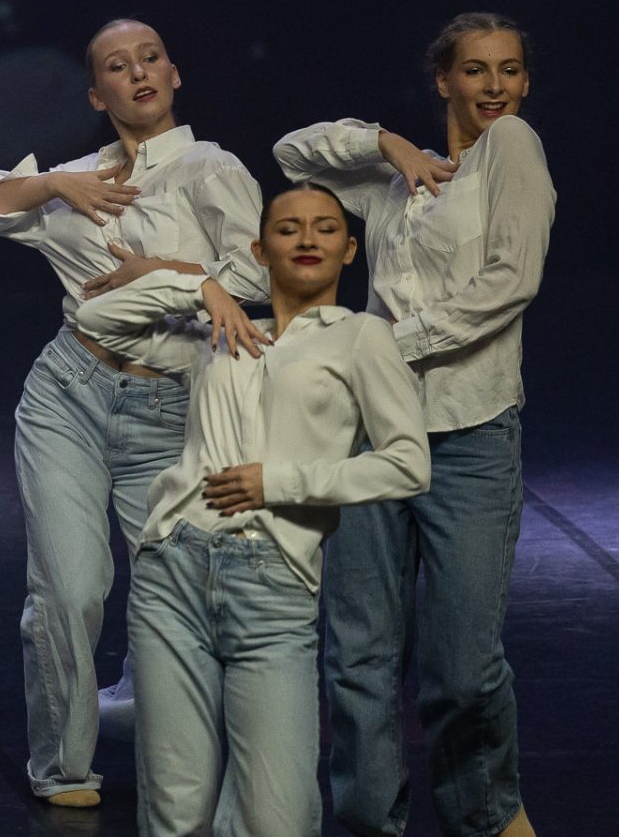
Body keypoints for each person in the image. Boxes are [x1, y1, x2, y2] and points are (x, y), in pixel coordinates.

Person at [0, 18, 269, 808]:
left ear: (174, 74)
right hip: (69, 391)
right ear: (98, 95)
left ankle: (139, 712)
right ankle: (63, 766)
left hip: (168, 405)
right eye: (117, 66)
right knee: (69, 589)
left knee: (170, 594)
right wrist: (53, 185)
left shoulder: (212, 168)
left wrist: (158, 271)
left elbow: (255, 279)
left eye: (150, 58)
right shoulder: (81, 175)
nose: (138, 73)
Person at [75, 183, 431, 835]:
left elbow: (407, 463)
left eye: (325, 228)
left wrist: (279, 483)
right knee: (176, 809)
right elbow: (95, 318)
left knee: (278, 819)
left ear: (350, 249)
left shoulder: (362, 337)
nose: (307, 238)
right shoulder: (217, 333)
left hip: (273, 585)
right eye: (288, 228)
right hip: (173, 573)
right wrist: (201, 286)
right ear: (260, 250)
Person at [275, 12, 553, 837]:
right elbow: (292, 155)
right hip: (370, 434)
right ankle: (370, 821)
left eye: (509, 69)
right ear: (444, 80)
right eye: (475, 70)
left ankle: (484, 811)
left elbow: (512, 280)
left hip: (470, 433)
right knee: (359, 655)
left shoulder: (513, 149)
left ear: (526, 81)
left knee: (464, 666)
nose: (495, 86)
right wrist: (387, 143)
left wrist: (392, 346)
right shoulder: (396, 182)